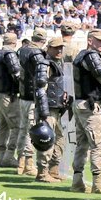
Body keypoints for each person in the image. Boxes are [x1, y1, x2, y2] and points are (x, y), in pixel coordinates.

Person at [71, 30, 101, 195]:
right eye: (100, 41)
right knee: (98, 144)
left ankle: (77, 180)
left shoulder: (81, 55)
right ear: (90, 40)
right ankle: (97, 182)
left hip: (79, 102)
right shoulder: (91, 56)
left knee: (82, 144)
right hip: (89, 105)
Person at [33, 38, 70, 183]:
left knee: (60, 139)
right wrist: (44, 112)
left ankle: (54, 169)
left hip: (58, 108)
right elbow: (40, 88)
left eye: (61, 47)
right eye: (56, 48)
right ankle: (42, 172)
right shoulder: (44, 63)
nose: (59, 50)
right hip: (48, 109)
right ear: (48, 48)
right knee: (46, 140)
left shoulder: (58, 63)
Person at [15, 29, 48, 174]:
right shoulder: (36, 54)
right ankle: (28, 163)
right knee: (31, 130)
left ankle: (20, 162)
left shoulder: (23, 50)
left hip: (23, 95)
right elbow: (40, 77)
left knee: (23, 130)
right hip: (32, 96)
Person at [0, 32, 23, 167]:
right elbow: (16, 74)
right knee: (16, 126)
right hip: (8, 95)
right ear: (15, 42)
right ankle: (9, 156)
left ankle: (1, 156)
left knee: (2, 127)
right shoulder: (10, 55)